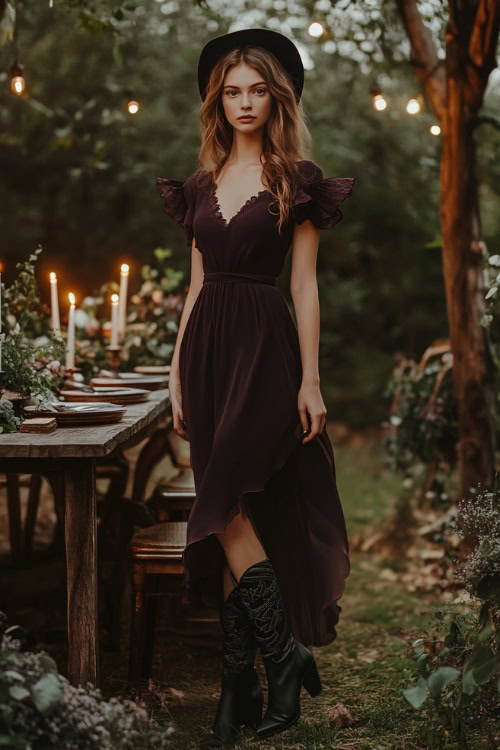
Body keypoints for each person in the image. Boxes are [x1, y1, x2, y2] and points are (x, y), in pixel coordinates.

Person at [156, 27, 354, 748]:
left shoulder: (298, 179)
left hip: (265, 350)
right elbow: (195, 285)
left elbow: (304, 286)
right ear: (219, 101)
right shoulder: (201, 186)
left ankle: (285, 658)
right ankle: (238, 685)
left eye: (257, 91)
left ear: (277, 98)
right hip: (207, 354)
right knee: (227, 505)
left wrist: (311, 379)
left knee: (225, 508)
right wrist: (177, 371)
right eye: (232, 92)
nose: (244, 102)